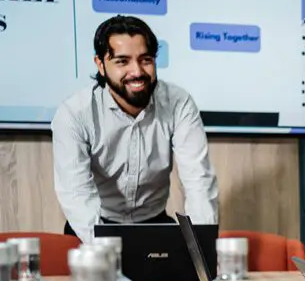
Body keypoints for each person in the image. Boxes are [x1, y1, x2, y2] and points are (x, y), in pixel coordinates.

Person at [52, 15, 218, 242]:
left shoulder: (178, 103)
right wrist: (108, 253)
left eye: (145, 59)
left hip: (155, 224)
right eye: (122, 61)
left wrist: (203, 247)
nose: (137, 71)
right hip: (93, 227)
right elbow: (77, 195)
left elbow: (199, 180)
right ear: (100, 65)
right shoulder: (74, 114)